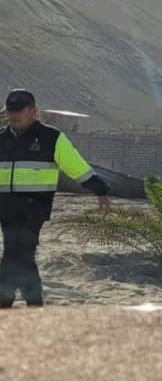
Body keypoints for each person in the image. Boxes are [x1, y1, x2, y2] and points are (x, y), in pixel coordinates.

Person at [0, 89, 111, 308]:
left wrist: (99, 189)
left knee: (17, 251)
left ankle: (8, 302)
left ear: (33, 110)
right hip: (5, 208)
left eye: (19, 110)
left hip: (34, 208)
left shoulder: (52, 138)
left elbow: (76, 166)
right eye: (10, 111)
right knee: (18, 254)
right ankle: (31, 303)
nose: (14, 115)